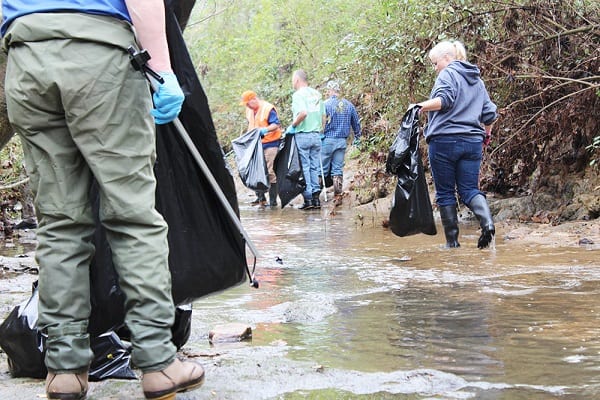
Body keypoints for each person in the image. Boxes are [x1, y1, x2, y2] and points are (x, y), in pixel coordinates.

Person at [1, 1, 205, 399]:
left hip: (25, 59)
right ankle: (158, 362)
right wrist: (163, 70)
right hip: (99, 54)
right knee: (133, 216)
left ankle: (64, 370)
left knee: (59, 223)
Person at [417, 40, 498, 249]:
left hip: (444, 140)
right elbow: (489, 115)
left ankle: (452, 244)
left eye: (435, 63)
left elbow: (444, 100)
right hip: (472, 142)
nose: (435, 69)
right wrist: (486, 136)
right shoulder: (477, 81)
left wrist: (419, 106)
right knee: (469, 189)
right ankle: (487, 222)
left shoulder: (448, 73)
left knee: (445, 192)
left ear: (447, 58)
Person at [287, 69, 326, 210]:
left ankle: (308, 199)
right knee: (314, 166)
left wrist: (293, 125)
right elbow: (323, 116)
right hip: (316, 135)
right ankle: (316, 198)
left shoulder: (298, 95)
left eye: (292, 79)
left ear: (297, 79)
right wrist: (321, 130)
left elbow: (303, 113)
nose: (292, 82)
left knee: (305, 167)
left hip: (303, 134)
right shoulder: (317, 94)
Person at [240, 90, 282, 208]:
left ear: (254, 99)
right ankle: (261, 199)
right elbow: (251, 126)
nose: (247, 105)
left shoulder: (268, 108)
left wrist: (264, 130)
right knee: (256, 171)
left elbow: (276, 125)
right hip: (256, 144)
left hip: (271, 143)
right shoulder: (249, 110)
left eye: (248, 103)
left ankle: (273, 202)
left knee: (269, 171)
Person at [322, 80, 362, 206]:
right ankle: (338, 196)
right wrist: (358, 137)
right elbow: (356, 123)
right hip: (341, 142)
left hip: (327, 141)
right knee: (337, 169)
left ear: (330, 90)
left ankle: (315, 195)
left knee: (322, 168)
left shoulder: (325, 105)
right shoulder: (348, 105)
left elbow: (320, 124)